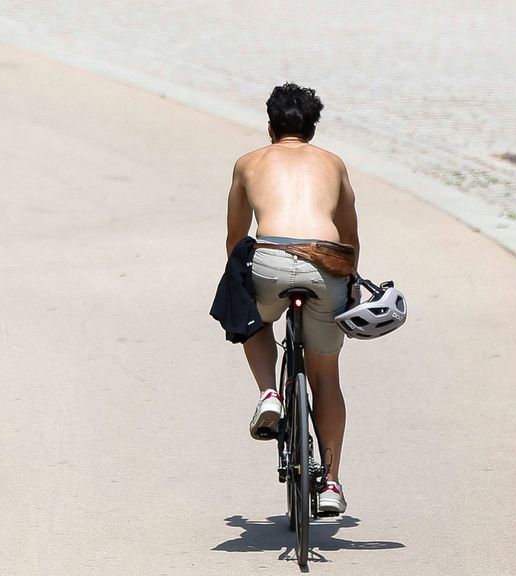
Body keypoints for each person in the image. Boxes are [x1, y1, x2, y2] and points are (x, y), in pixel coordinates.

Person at [224, 83, 358, 514]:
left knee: (252, 315)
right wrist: (349, 281)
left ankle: (269, 393)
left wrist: (241, 278)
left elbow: (235, 235)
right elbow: (351, 239)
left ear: (269, 126)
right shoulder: (333, 164)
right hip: (324, 263)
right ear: (313, 129)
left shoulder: (248, 163)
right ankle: (332, 483)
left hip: (271, 260)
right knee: (326, 378)